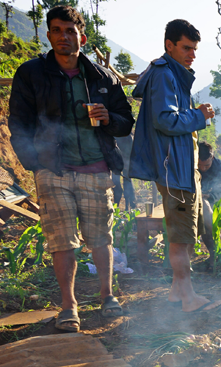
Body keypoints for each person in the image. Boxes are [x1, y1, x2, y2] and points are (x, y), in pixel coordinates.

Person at [9, 5, 134, 332]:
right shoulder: (31, 73)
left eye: (70, 31)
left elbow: (125, 122)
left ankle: (107, 296)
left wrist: (109, 118)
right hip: (54, 171)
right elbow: (18, 122)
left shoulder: (102, 77)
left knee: (100, 237)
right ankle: (69, 306)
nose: (63, 37)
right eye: (57, 31)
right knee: (61, 239)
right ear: (49, 34)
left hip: (96, 169)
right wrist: (35, 164)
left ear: (83, 36)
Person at [130, 19, 221, 313]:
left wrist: (196, 115)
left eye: (194, 49)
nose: (191, 54)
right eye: (186, 48)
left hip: (182, 169)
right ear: (169, 45)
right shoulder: (165, 75)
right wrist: (198, 116)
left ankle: (175, 293)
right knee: (181, 238)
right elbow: (165, 120)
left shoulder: (175, 76)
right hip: (174, 170)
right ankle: (188, 297)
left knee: (185, 233)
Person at [198, 141, 221, 258]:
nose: (203, 169)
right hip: (196, 207)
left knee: (205, 207)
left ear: (212, 157)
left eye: (206, 166)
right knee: (203, 207)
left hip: (220, 207)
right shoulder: (190, 167)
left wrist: (211, 196)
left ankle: (216, 255)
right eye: (199, 165)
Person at [113, 134, 137, 208]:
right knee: (126, 181)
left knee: (119, 183)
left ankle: (119, 207)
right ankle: (128, 206)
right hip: (122, 160)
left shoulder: (118, 133)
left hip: (118, 161)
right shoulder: (128, 135)